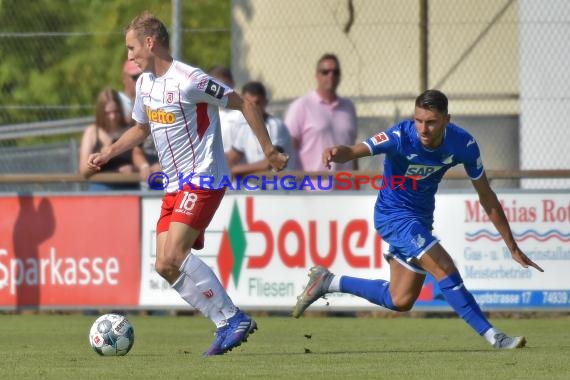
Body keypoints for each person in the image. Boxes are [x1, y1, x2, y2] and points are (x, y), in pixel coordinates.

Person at [87, 11, 288, 356]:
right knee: (164, 265)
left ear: (150, 43)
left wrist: (269, 150)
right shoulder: (145, 84)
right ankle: (226, 321)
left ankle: (233, 317)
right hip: (174, 185)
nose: (129, 55)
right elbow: (141, 128)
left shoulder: (190, 79)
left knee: (176, 254)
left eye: (132, 47)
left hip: (204, 177)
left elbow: (245, 103)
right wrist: (108, 152)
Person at [292, 89, 544, 349]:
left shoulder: (464, 144)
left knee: (400, 299)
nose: (423, 128)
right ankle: (494, 336)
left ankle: (329, 281)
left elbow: (487, 196)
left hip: (421, 220)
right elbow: (357, 150)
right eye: (418, 120)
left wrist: (512, 246)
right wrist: (337, 151)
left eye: (431, 122)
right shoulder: (400, 136)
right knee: (444, 266)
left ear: (447, 119)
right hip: (393, 216)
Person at [284, 53, 358, 172]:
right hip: (311, 187)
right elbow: (289, 148)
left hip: (345, 186)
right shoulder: (301, 106)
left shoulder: (348, 107)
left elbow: (353, 150)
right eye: (325, 72)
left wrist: (356, 183)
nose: (331, 76)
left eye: (335, 72)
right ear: (317, 75)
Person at [227, 81, 297, 175]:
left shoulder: (276, 126)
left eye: (256, 103)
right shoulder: (244, 127)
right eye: (247, 104)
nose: (251, 108)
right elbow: (232, 157)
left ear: (265, 102)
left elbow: (270, 163)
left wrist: (233, 170)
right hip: (255, 187)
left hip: (280, 186)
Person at [79, 87, 139, 191]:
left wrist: (134, 169)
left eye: (116, 112)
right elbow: (83, 171)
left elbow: (143, 161)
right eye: (108, 113)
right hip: (101, 186)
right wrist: (96, 162)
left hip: (128, 186)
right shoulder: (92, 132)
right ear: (101, 112)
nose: (112, 117)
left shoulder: (130, 131)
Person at [208, 65, 243, 154]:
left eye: (223, 86)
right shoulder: (205, 111)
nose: (219, 92)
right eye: (214, 87)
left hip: (234, 166)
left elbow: (239, 151)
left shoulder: (240, 114)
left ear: (233, 83)